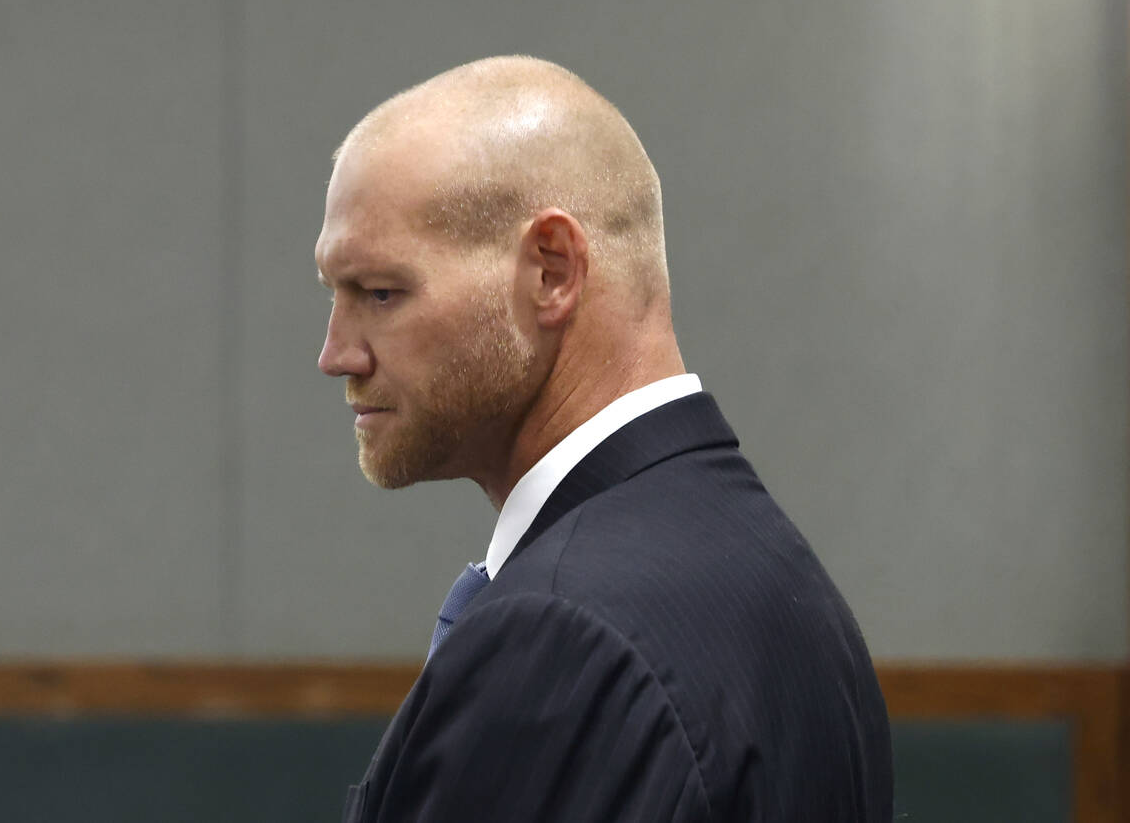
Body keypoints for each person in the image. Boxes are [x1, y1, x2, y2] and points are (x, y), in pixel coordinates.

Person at [316, 56, 892, 823]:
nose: (337, 354)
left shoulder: (560, 635)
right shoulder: (779, 576)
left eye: (381, 293)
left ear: (552, 271)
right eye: (337, 295)